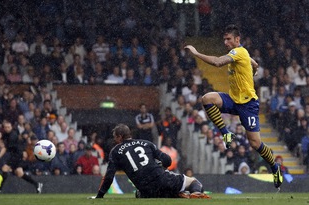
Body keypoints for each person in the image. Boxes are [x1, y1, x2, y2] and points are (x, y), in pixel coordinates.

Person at [185, 24, 283, 189]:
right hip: (234, 99)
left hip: (248, 105)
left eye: (228, 39)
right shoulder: (241, 52)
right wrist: (255, 67)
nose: (225, 42)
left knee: (255, 143)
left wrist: (196, 53)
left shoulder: (238, 52)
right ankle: (226, 134)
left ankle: (275, 167)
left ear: (237, 40)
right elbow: (253, 62)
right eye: (224, 39)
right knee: (207, 99)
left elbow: (217, 62)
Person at [94, 124, 210, 199]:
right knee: (193, 181)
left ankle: (177, 195)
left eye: (115, 137)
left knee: (138, 194)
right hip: (162, 179)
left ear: (120, 137)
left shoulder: (115, 151)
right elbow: (168, 160)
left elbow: (109, 176)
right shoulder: (146, 143)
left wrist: (99, 196)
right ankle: (195, 193)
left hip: (145, 190)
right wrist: (162, 165)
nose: (114, 140)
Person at [0, 121, 43, 193]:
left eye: (8, 127)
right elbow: (1, 140)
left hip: (17, 155)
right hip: (14, 154)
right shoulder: (6, 133)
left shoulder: (13, 135)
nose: (7, 129)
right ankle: (37, 184)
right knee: (19, 173)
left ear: (11, 127)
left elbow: (5, 148)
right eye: (5, 127)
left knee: (5, 168)